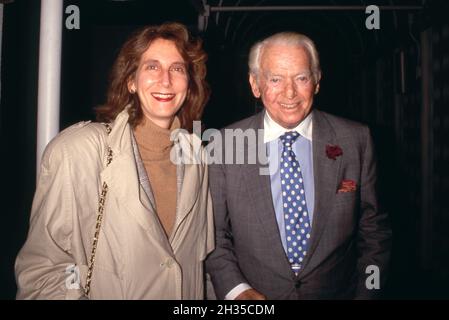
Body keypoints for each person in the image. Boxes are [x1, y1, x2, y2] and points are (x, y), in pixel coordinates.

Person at [15, 22, 214, 299]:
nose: (166, 80)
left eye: (177, 68)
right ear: (131, 81)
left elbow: (199, 267)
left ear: (188, 83)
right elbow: (44, 273)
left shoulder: (197, 159)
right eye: (152, 67)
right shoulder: (80, 151)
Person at [206, 31, 392, 299]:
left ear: (316, 82)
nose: (290, 92)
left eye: (301, 78)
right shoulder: (223, 146)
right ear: (255, 85)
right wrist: (237, 291)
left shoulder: (356, 140)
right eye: (275, 79)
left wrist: (366, 293)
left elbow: (374, 230)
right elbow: (213, 235)